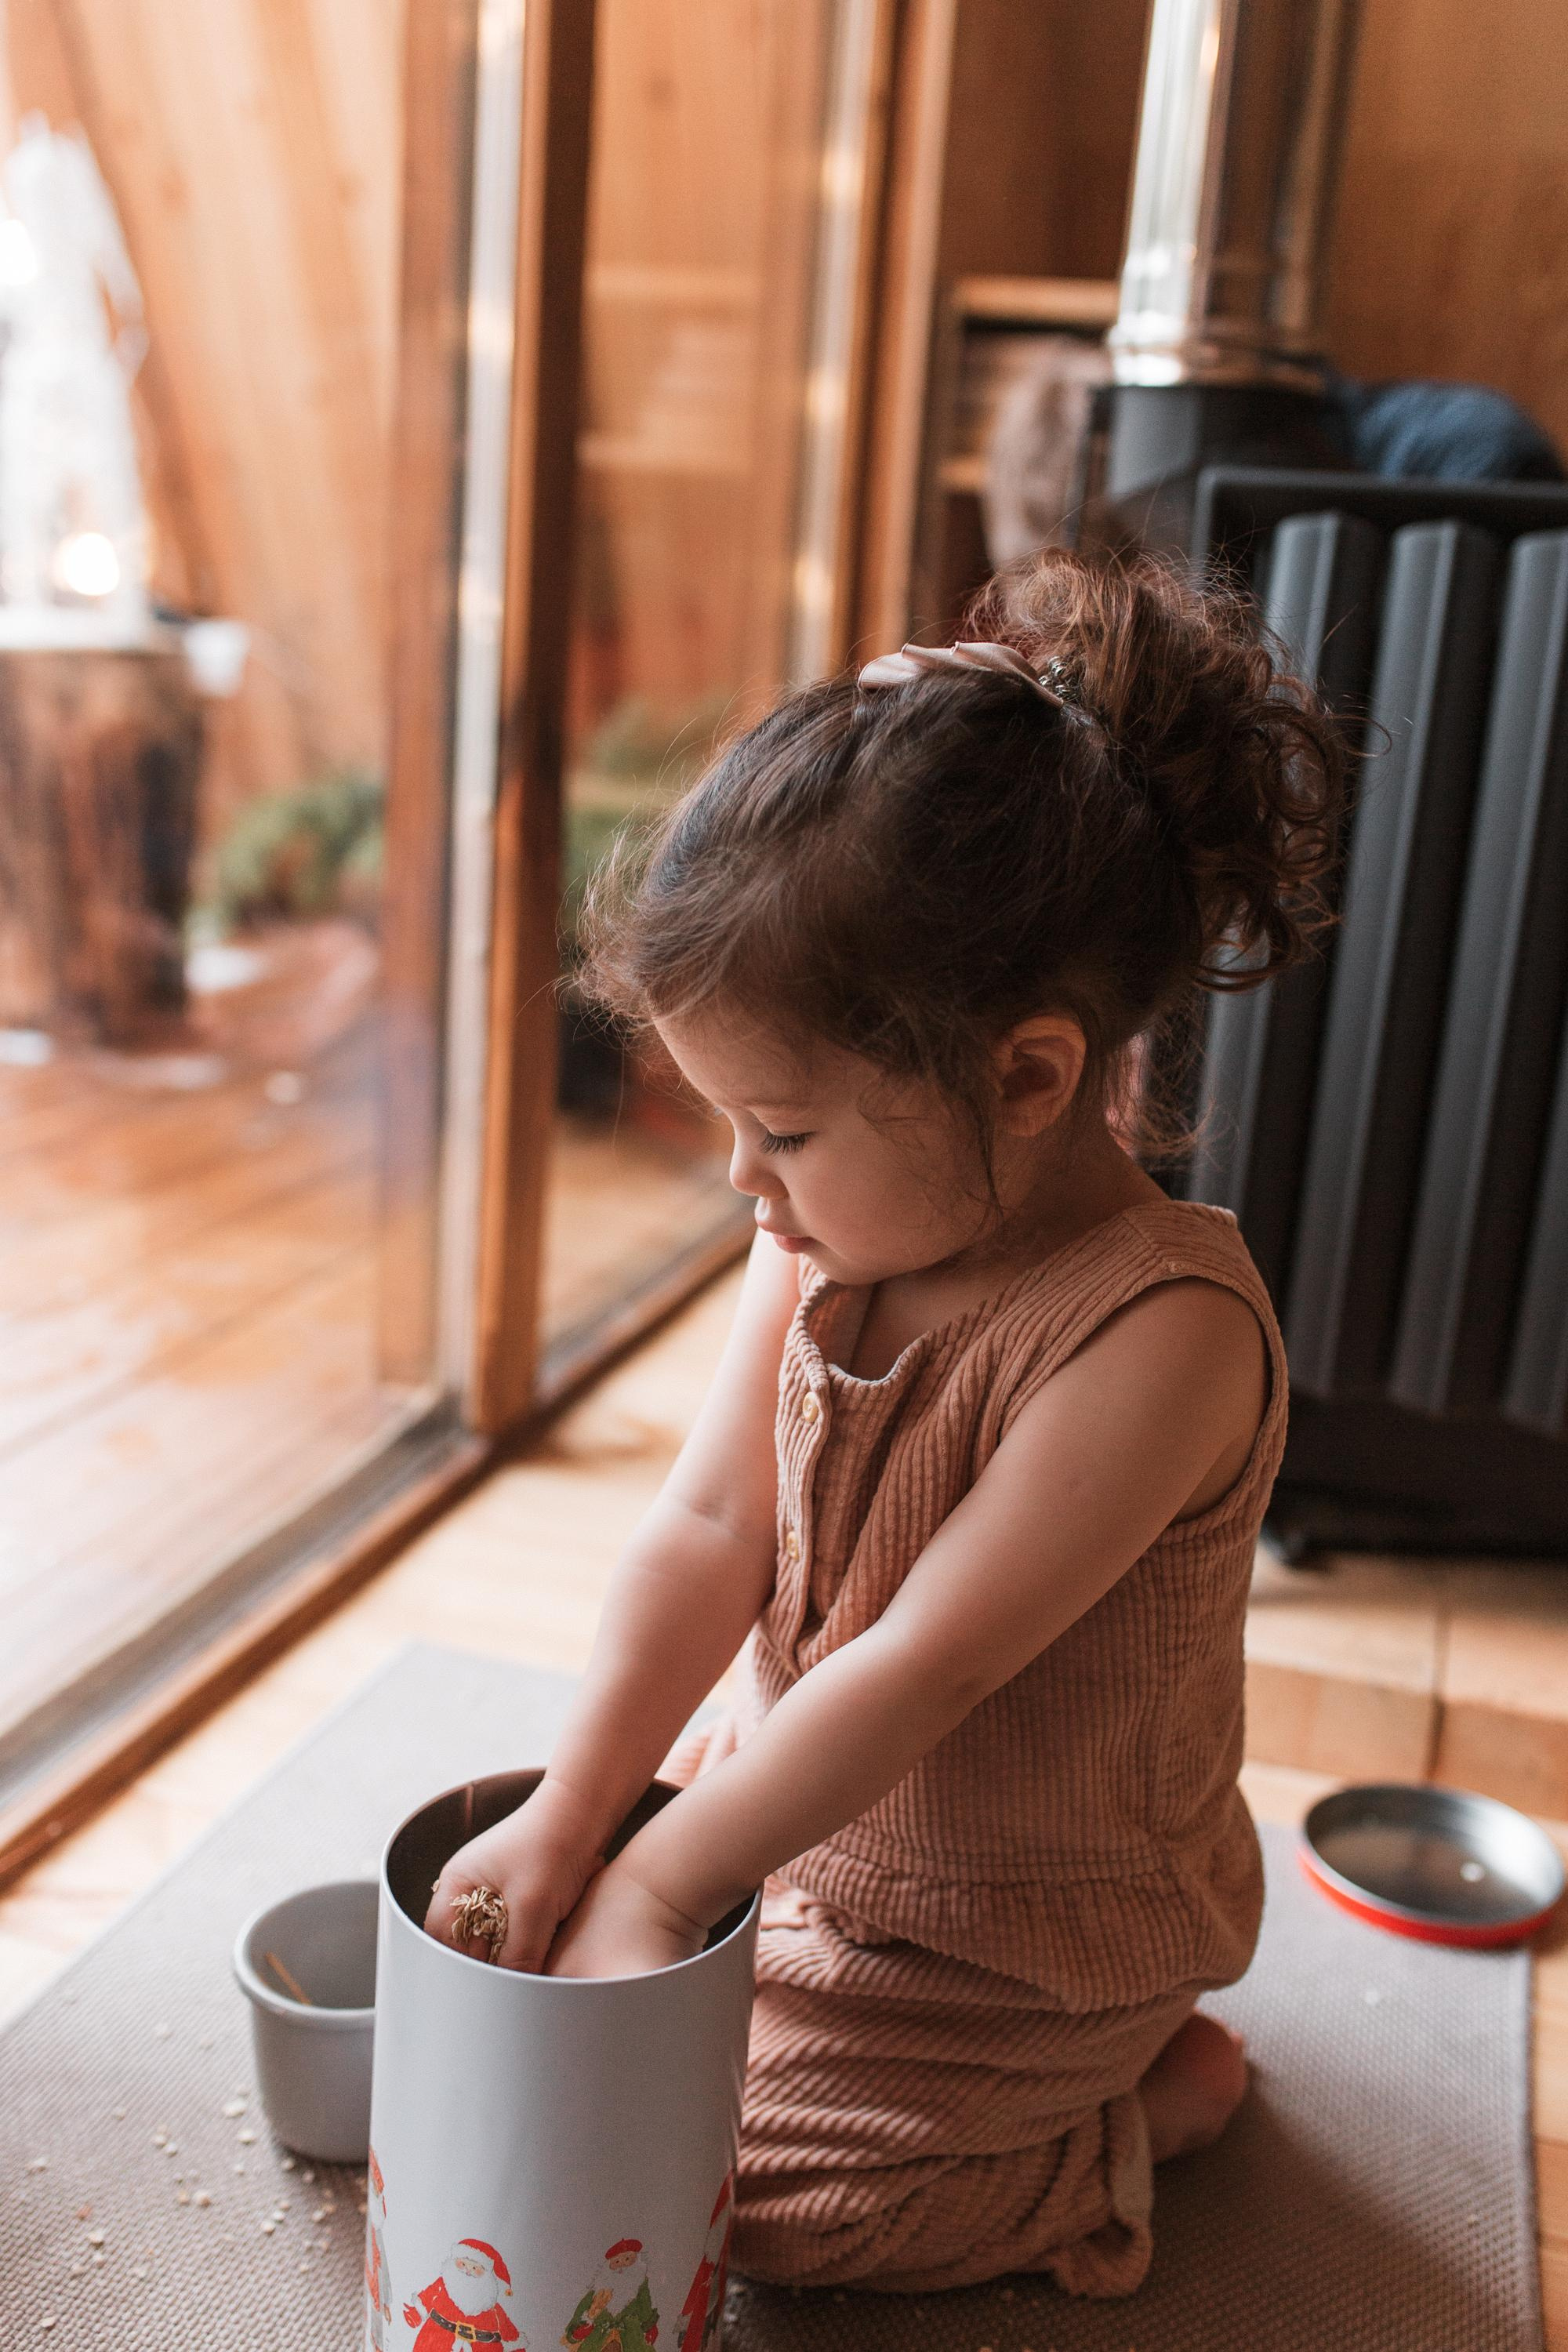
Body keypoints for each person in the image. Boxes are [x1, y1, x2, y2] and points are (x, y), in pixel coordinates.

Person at [424, 548, 1344, 2297]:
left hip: (1018, 1936)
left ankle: (1140, 2112)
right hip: (809, 1827)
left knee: (762, 2216)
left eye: (778, 1128)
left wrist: (658, 1887)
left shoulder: (1160, 1335)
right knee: (542, 2010)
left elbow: (923, 1667)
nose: (739, 1183)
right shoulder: (841, 1228)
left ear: (1028, 1076)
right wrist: (576, 1815)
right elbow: (706, 1531)